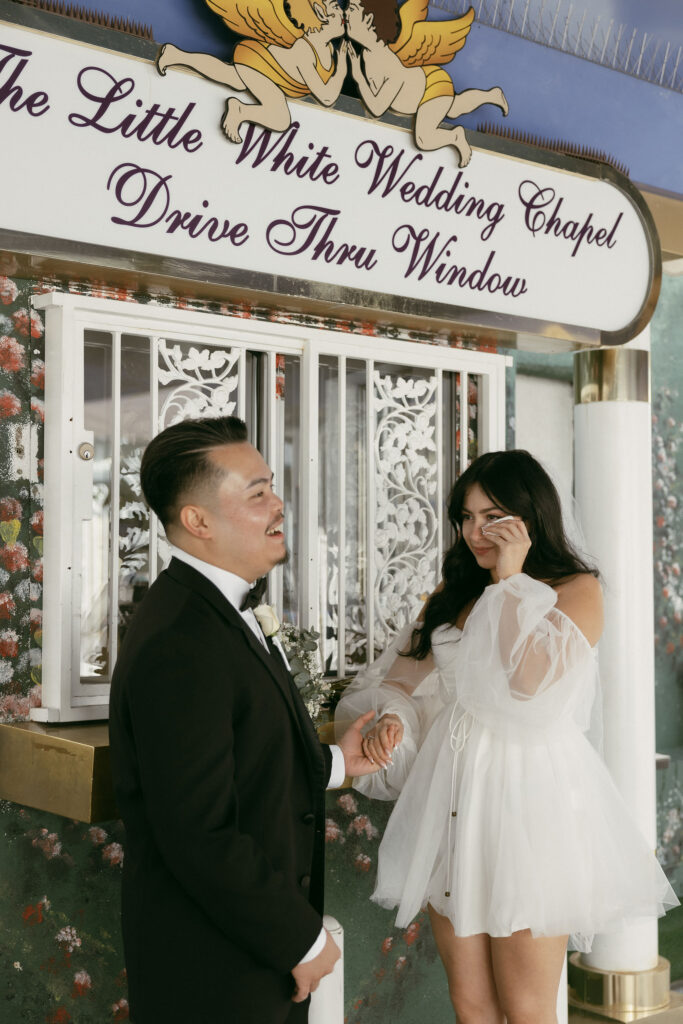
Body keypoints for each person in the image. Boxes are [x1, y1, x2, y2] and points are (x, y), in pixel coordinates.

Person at [335, 449, 678, 1024]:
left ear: (528, 515)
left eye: (491, 515)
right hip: (451, 800)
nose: (475, 531)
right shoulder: (455, 593)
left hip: (529, 806)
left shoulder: (577, 588)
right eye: (465, 517)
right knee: (470, 1005)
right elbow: (398, 679)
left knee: (526, 1011)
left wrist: (513, 581)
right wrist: (393, 713)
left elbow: (528, 687)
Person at [109, 415, 378, 1024]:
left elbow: (240, 755)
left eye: (272, 486)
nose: (278, 503)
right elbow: (198, 831)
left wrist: (335, 763)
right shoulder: (180, 636)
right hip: (213, 966)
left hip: (245, 952)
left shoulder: (218, 610)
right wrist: (301, 939)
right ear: (196, 520)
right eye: (256, 492)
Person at [156, 0, 347, 144]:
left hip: (270, 73)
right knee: (280, 118)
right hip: (262, 67)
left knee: (229, 75)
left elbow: (327, 91)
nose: (342, 12)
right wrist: (343, 70)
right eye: (336, 7)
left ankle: (176, 56)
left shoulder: (328, 50)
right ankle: (240, 110)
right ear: (321, 14)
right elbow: (327, 96)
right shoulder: (305, 50)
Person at [344, 0, 507, 167]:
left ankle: (455, 136)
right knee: (454, 107)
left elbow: (377, 107)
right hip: (427, 80)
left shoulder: (388, 62)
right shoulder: (367, 54)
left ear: (369, 19)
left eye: (352, 9)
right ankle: (491, 95)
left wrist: (358, 76)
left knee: (423, 138)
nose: (346, 13)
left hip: (432, 87)